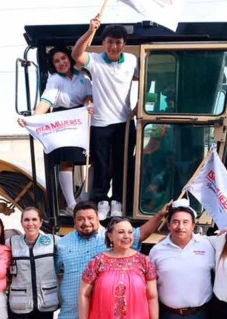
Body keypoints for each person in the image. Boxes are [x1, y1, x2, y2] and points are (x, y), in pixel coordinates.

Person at [73, 16, 138, 220]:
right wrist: (90, 31)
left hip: (124, 123)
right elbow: (77, 54)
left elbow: (146, 80)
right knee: (101, 164)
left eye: (118, 42)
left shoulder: (133, 61)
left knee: (123, 163)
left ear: (124, 45)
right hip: (100, 123)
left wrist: (139, 108)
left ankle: (117, 200)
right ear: (104, 43)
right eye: (110, 42)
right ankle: (101, 200)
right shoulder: (96, 60)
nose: (114, 46)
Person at [18, 47, 93, 215]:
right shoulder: (54, 80)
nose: (61, 63)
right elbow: (46, 100)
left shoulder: (83, 77)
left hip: (81, 119)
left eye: (63, 58)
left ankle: (85, 196)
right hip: (64, 120)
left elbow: (89, 96)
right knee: (67, 160)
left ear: (70, 58)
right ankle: (71, 203)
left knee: (92, 156)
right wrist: (33, 119)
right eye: (56, 61)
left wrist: (88, 105)